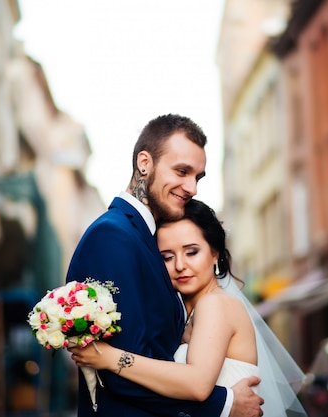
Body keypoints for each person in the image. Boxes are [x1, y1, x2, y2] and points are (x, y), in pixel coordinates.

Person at [65, 114, 263, 417]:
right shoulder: (113, 237)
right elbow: (115, 373)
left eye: (198, 177)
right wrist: (224, 403)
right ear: (144, 163)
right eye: (182, 171)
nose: (192, 187)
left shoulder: (146, 239)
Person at [71, 199, 307, 416]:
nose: (180, 265)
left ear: (215, 253)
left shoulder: (215, 304)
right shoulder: (186, 311)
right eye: (167, 257)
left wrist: (110, 357)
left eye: (191, 252)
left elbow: (198, 384)